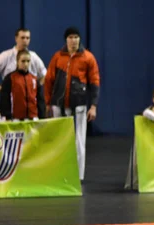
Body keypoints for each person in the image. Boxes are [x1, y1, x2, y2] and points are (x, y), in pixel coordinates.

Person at [45, 27, 100, 181]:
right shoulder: (57, 57)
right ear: (66, 39)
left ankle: (79, 176)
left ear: (79, 39)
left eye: (76, 37)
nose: (74, 40)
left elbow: (95, 82)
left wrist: (93, 106)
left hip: (80, 105)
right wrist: (48, 103)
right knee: (59, 139)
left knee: (79, 141)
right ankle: (59, 172)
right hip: (58, 105)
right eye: (71, 37)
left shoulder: (88, 57)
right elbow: (49, 80)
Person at [0, 49, 45, 121]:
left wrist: (42, 116)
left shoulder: (34, 79)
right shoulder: (10, 78)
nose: (26, 64)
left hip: (33, 118)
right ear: (17, 62)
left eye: (28, 61)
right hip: (14, 119)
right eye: (23, 61)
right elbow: (5, 98)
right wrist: (6, 116)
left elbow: (40, 99)